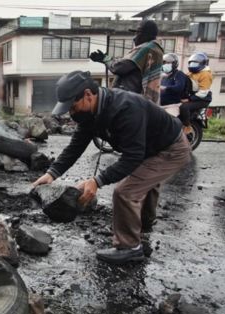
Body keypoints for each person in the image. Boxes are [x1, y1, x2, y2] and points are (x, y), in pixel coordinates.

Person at [32, 70, 191, 264]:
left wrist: (97, 181)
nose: (71, 113)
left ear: (88, 95)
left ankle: (130, 247)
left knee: (125, 191)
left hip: (170, 148)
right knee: (145, 182)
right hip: (149, 146)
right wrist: (52, 173)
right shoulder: (89, 115)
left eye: (72, 107)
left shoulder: (125, 107)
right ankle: (144, 225)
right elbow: (76, 146)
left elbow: (133, 157)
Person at [89, 19, 163, 104]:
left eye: (137, 33)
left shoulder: (146, 48)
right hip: (138, 99)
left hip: (131, 99)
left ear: (145, 34)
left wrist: (105, 59)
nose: (134, 37)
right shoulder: (155, 49)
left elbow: (120, 67)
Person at [180, 52, 213, 134]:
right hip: (192, 96)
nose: (193, 65)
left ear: (202, 63)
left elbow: (203, 93)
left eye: (195, 63)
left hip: (202, 99)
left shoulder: (205, 74)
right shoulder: (191, 73)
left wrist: (188, 99)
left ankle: (187, 127)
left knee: (184, 107)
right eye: (191, 63)